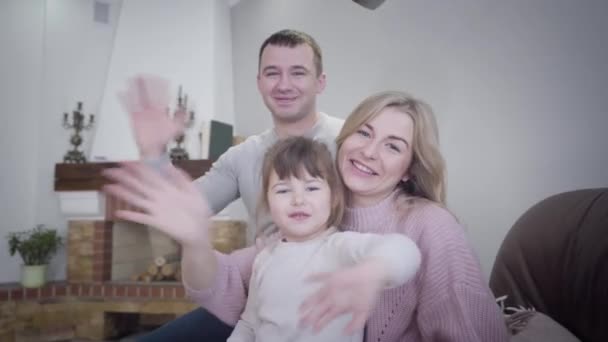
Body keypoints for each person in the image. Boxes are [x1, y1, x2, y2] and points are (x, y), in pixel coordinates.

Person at [105, 90, 510, 341]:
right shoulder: (316, 209)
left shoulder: (431, 225)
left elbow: (471, 332)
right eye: (364, 133)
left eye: (392, 146)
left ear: (408, 168)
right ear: (344, 137)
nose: (370, 151)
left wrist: (370, 275)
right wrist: (191, 235)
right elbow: (228, 279)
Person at [107, 29, 344, 341]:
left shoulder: (351, 143)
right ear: (259, 82)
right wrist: (154, 156)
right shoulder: (242, 156)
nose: (284, 84)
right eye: (272, 73)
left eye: (298, 73)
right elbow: (185, 209)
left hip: (336, 309)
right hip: (254, 304)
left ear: (320, 82)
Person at [227, 136, 420, 341]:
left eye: (312, 188)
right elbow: (249, 324)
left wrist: (372, 271)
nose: (298, 200)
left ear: (333, 196)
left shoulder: (339, 247)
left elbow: (405, 250)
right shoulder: (264, 259)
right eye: (283, 190)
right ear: (268, 202)